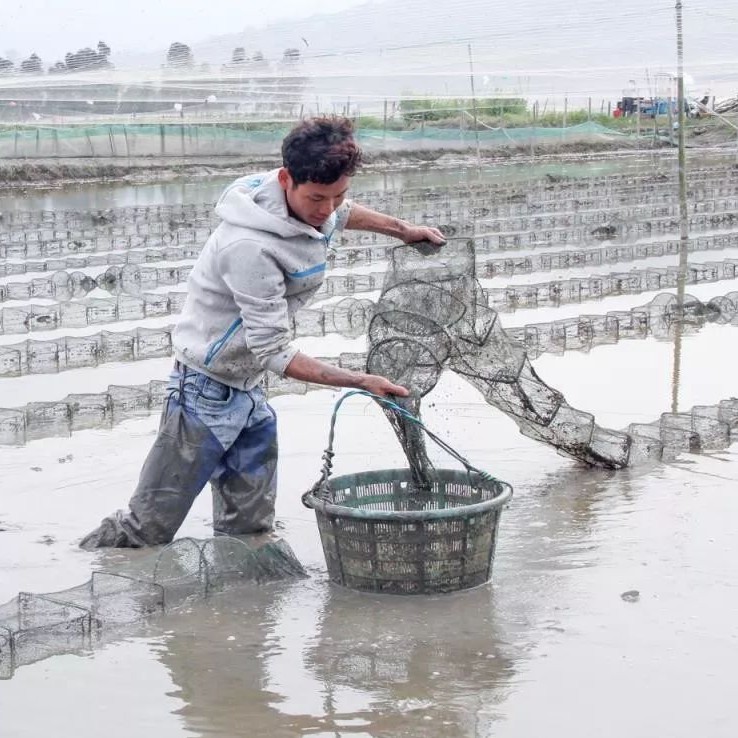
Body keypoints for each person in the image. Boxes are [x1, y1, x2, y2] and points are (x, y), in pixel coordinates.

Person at [80, 116, 445, 549]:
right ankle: (86, 567)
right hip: (203, 393)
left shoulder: (311, 202)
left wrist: (404, 231)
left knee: (249, 532)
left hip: (249, 389)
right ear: (286, 179)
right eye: (316, 198)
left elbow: (343, 215)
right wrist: (359, 381)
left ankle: (244, 614)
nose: (327, 209)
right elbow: (273, 349)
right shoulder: (249, 247)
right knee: (145, 531)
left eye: (338, 195)